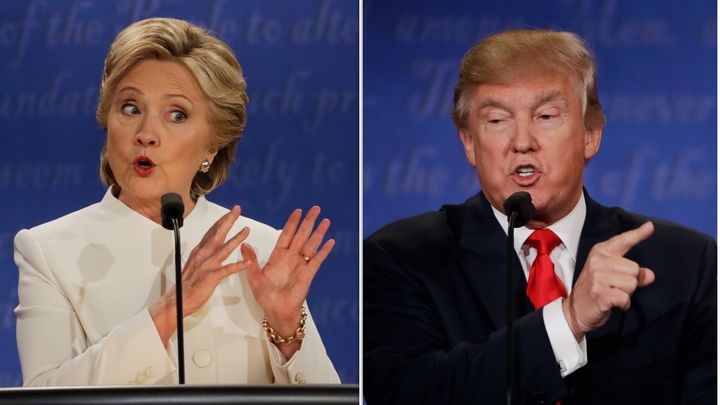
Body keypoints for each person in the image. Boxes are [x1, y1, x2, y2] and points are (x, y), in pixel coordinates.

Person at [364, 29, 715, 404]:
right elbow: (409, 393)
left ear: (590, 134)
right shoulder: (401, 258)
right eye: (497, 120)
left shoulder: (686, 262)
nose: (522, 141)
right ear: (469, 142)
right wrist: (568, 321)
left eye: (546, 116)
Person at [14, 17, 339, 386]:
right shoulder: (48, 250)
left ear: (212, 146)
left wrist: (288, 331)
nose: (146, 135)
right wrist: (167, 312)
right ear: (108, 123)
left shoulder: (262, 249)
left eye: (177, 115)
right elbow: (41, 396)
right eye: (131, 108)